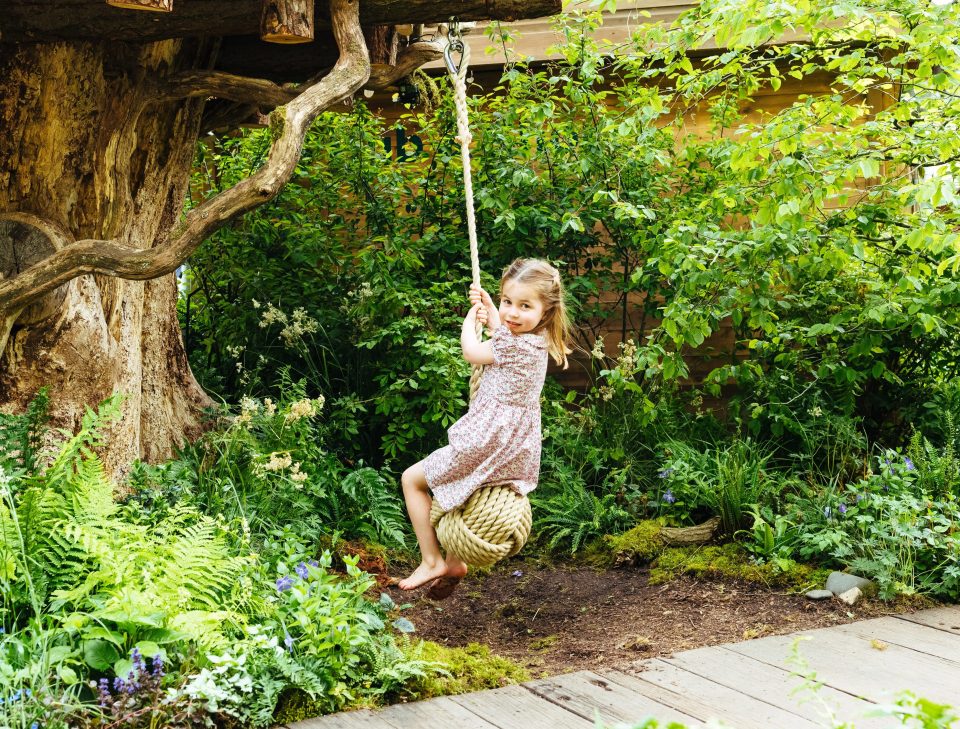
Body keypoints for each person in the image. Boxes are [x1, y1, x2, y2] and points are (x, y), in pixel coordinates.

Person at [397, 258, 572, 599]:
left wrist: (469, 321)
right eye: (508, 301)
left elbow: (472, 352)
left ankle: (431, 559)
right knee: (468, 492)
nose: (512, 313)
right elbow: (505, 335)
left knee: (411, 480)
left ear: (546, 311)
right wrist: (492, 312)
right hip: (514, 447)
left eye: (524, 306)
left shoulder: (510, 344)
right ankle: (454, 561)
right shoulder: (537, 341)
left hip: (485, 442)